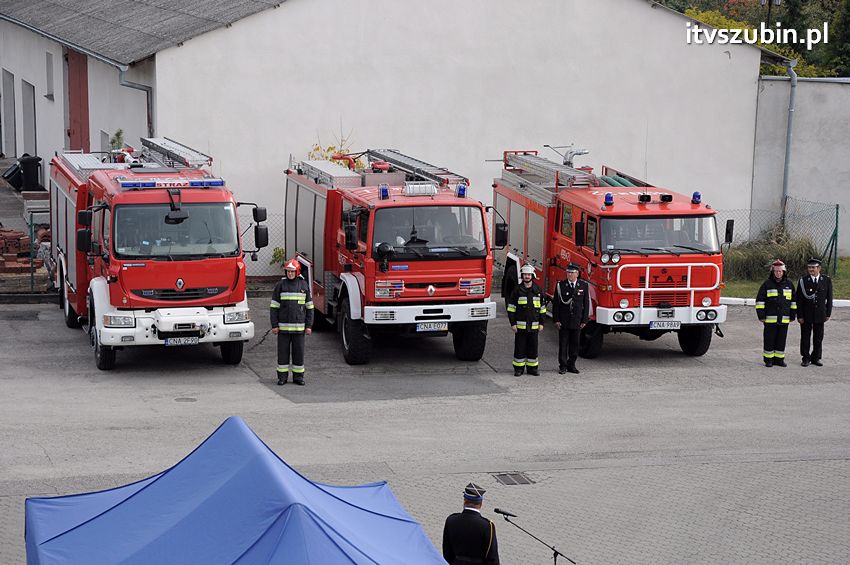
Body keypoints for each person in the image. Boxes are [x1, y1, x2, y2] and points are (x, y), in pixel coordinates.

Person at [270, 259, 313, 385]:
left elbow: (309, 307)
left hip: (299, 330)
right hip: (283, 330)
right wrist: (274, 325)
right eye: (288, 271)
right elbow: (274, 307)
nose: (290, 274)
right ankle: (282, 378)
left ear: (297, 272)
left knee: (298, 353)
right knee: (282, 354)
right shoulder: (280, 286)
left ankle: (298, 377)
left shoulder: (304, 285)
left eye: (292, 272)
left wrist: (309, 325)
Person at [442, 483, 499, 565]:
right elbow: (492, 557)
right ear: (481, 504)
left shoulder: (451, 520)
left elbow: (447, 551)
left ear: (464, 501)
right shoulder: (486, 526)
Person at [755, 259, 796, 367]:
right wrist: (761, 316)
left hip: (784, 318)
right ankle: (768, 360)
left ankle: (779, 359)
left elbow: (793, 302)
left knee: (781, 340)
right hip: (770, 319)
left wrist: (792, 315)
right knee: (769, 339)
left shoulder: (789, 284)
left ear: (784, 272)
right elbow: (760, 301)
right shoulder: (767, 284)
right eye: (776, 271)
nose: (778, 273)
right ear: (772, 272)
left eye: (780, 271)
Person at [507, 263, 545, 376]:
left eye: (529, 275)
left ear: (532, 275)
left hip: (534, 326)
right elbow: (511, 309)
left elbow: (542, 309)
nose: (527, 277)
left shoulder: (537, 290)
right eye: (525, 275)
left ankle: (532, 369)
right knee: (520, 348)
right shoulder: (517, 290)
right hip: (520, 327)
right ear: (522, 276)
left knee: (533, 348)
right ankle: (518, 369)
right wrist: (513, 324)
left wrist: (541, 323)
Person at [552, 263, 590, 374]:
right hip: (564, 320)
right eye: (568, 272)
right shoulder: (561, 285)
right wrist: (556, 319)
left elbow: (586, 304)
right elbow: (556, 304)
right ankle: (562, 366)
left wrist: (584, 320)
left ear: (577, 274)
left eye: (572, 273)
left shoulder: (583, 285)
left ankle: (571, 365)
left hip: (577, 320)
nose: (569, 274)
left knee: (575, 344)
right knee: (563, 344)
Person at [796, 257, 833, 367]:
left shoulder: (826, 280)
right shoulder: (803, 281)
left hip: (820, 314)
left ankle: (816, 357)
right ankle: (805, 357)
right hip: (807, 314)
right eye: (809, 267)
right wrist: (800, 315)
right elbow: (799, 300)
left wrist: (828, 313)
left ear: (819, 268)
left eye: (813, 267)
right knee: (805, 336)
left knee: (818, 337)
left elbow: (829, 298)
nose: (811, 270)